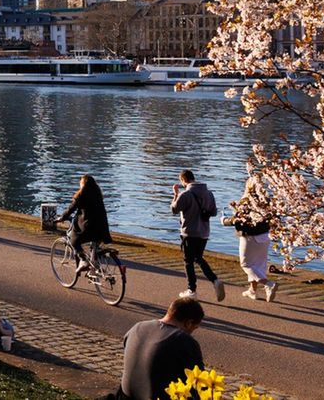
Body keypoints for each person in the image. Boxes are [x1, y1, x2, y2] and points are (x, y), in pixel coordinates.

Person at [116, 296, 206, 400]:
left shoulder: (137, 327)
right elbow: (200, 382)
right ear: (189, 323)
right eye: (194, 328)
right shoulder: (184, 340)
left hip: (124, 396)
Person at [171, 169, 225, 301]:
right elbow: (213, 212)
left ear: (183, 180)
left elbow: (174, 209)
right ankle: (215, 280)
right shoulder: (209, 193)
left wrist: (175, 195)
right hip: (204, 233)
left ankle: (192, 290)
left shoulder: (185, 194)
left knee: (188, 261)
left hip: (189, 232)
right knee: (198, 258)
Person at [227, 170, 278, 301]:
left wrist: (225, 221)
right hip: (265, 236)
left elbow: (239, 220)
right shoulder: (267, 201)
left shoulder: (245, 201)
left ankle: (268, 284)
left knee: (246, 264)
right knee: (258, 265)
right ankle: (252, 290)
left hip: (250, 237)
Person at [59, 174, 112, 273]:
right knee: (95, 246)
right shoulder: (98, 195)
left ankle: (83, 260)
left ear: (83, 184)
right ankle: (95, 265)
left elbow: (71, 209)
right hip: (102, 229)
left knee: (73, 239)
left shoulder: (81, 195)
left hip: (89, 228)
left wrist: (62, 218)